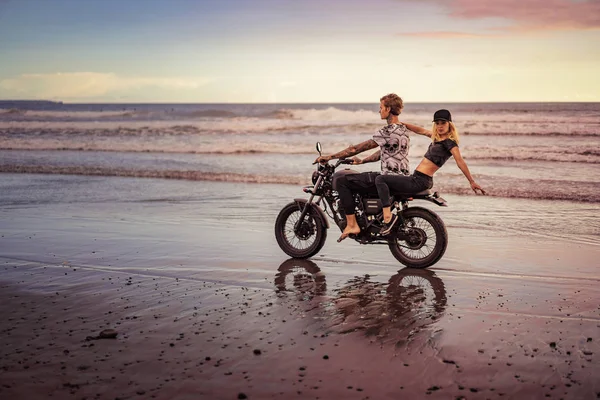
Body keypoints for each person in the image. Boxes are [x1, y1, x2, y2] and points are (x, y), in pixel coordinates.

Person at [314, 93, 430, 242]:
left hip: (388, 178)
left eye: (381, 107)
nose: (379, 111)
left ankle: (351, 224)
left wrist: (329, 157)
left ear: (388, 109)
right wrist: (362, 161)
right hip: (402, 177)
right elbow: (385, 152)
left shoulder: (387, 131)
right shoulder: (403, 130)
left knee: (342, 180)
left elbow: (355, 149)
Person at [375, 109, 486, 235]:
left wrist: (471, 181)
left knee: (381, 179)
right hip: (420, 179)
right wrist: (402, 124)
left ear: (449, 124)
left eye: (443, 123)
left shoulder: (449, 143)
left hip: (419, 180)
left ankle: (387, 218)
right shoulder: (437, 138)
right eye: (437, 123)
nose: (440, 126)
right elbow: (421, 130)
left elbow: (460, 162)